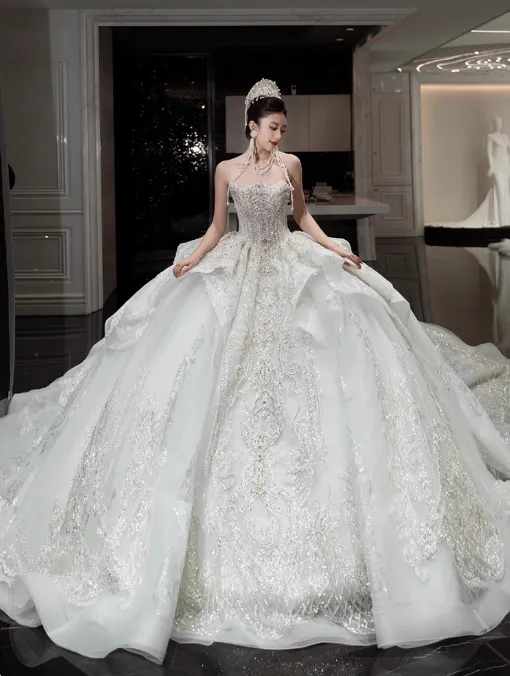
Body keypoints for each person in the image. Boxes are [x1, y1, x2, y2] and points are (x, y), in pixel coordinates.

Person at [0, 78, 509, 665]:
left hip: (290, 266)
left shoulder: (290, 166)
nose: (279, 137)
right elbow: (219, 227)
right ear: (251, 126)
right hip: (239, 267)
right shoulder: (226, 171)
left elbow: (303, 221)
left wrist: (335, 249)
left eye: (283, 129)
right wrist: (193, 259)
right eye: (272, 128)